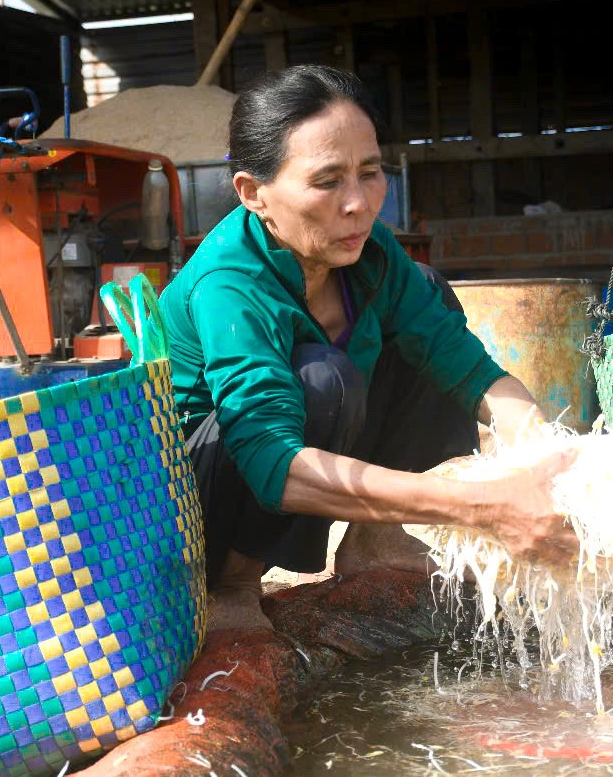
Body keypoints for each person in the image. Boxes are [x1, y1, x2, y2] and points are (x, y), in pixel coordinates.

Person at [158, 65, 578, 630]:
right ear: (253, 193)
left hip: (296, 457)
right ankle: (232, 583)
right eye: (328, 181)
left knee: (427, 293)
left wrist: (555, 462)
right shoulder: (230, 283)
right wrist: (487, 508)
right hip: (198, 500)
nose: (359, 203)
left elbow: (470, 372)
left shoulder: (370, 255)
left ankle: (375, 539)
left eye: (371, 173)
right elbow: (270, 460)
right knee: (319, 380)